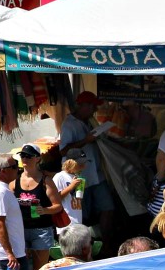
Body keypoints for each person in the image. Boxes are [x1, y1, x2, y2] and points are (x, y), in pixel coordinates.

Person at [59, 91, 113, 241]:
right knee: (82, 213)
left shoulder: (89, 121)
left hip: (96, 174)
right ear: (83, 106)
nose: (94, 110)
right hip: (80, 178)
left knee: (107, 208)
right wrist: (86, 140)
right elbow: (63, 150)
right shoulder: (69, 124)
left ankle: (106, 242)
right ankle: (84, 245)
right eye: (92, 107)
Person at [13, 143, 63, 269]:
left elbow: (58, 206)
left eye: (28, 156)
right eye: (23, 155)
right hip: (20, 230)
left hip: (41, 230)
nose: (25, 158)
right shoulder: (15, 181)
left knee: (40, 268)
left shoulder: (46, 181)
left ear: (37, 158)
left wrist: (44, 210)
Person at [52, 152, 86, 233]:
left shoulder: (76, 177)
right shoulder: (59, 176)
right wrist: (71, 187)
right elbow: (55, 198)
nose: (84, 166)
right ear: (71, 163)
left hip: (77, 222)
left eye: (84, 163)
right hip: (66, 224)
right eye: (80, 163)